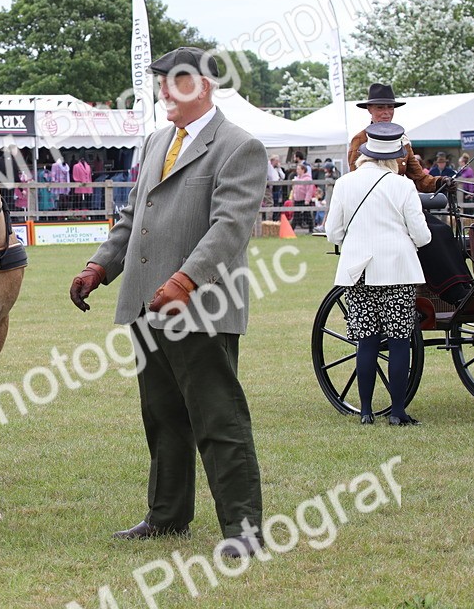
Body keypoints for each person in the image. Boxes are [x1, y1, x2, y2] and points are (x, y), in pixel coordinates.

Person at [68, 46, 267, 556]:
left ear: (203, 86)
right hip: (145, 304)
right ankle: (167, 517)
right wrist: (99, 266)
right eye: (160, 82)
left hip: (200, 308)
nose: (162, 91)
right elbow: (134, 216)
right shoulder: (158, 141)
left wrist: (185, 281)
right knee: (162, 417)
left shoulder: (239, 146)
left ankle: (244, 533)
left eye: (174, 81)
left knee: (219, 420)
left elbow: (230, 228)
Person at [327, 123, 431, 426]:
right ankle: (397, 411)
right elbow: (422, 237)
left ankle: (366, 412)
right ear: (395, 158)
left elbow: (333, 231)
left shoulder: (345, 184)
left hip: (358, 271)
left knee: (367, 340)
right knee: (399, 340)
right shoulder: (403, 186)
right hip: (397, 270)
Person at [347, 84, 470, 304]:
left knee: (442, 230)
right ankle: (452, 292)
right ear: (370, 110)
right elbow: (357, 180)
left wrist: (441, 181)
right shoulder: (360, 140)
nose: (386, 112)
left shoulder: (402, 140)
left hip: (404, 206)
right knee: (429, 235)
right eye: (380, 108)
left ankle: (463, 285)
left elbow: (420, 178)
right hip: (378, 211)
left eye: (389, 108)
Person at [289, 163, 316, 232]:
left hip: (304, 200)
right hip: (297, 199)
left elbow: (309, 190)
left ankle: (311, 229)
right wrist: (293, 197)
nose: (297, 170)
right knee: (296, 215)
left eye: (298, 169)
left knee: (307, 215)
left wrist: (307, 200)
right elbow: (294, 189)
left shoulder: (307, 179)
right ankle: (291, 230)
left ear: (303, 170)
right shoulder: (296, 178)